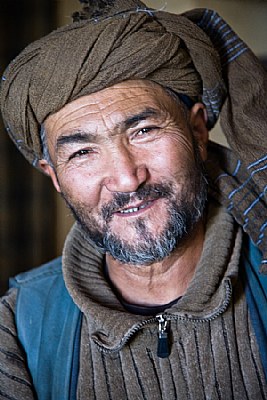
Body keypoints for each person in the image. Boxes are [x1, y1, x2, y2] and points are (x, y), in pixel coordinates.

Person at [0, 0, 266, 398]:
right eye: (82, 153)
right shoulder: (19, 326)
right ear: (53, 176)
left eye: (143, 130)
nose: (127, 178)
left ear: (197, 132)